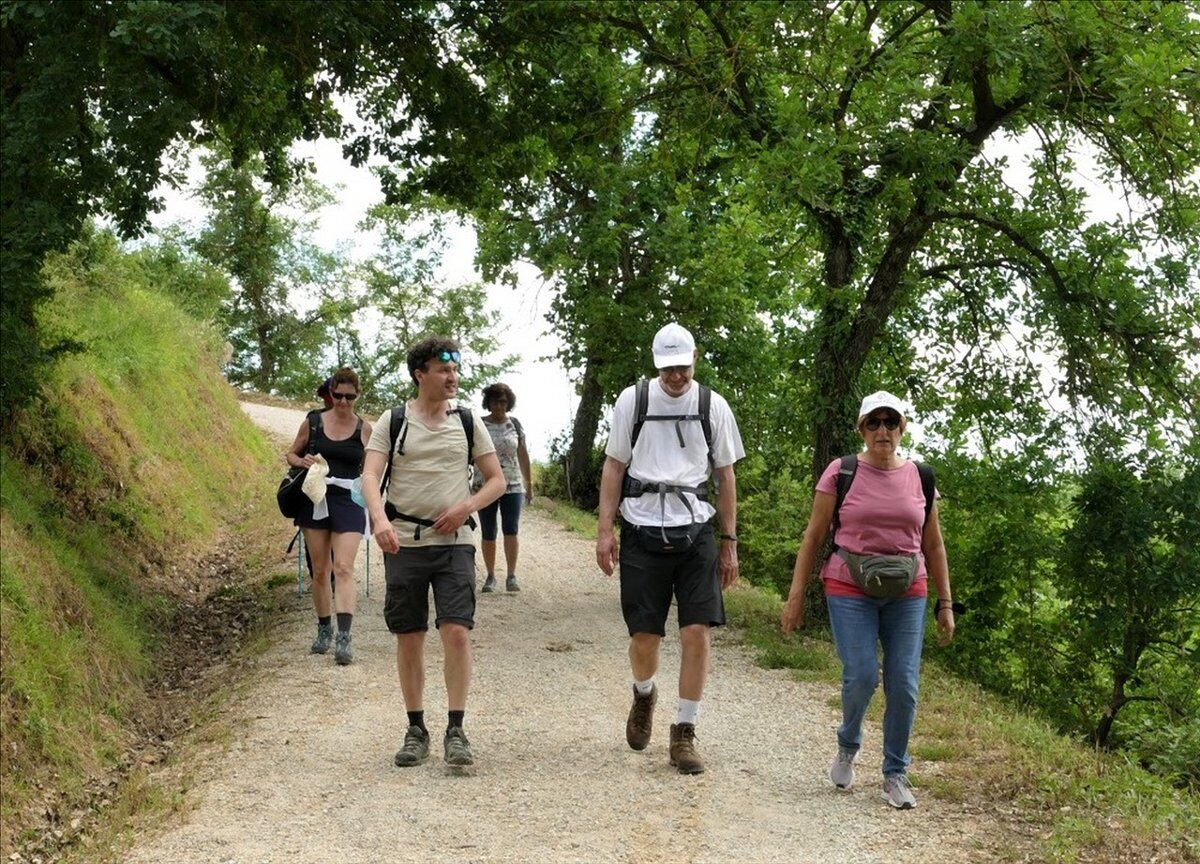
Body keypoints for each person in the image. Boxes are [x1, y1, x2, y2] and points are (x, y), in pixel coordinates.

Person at [780, 391, 955, 810]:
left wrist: (946, 603)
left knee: (905, 685)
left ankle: (895, 774)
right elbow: (814, 535)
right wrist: (796, 596)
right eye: (873, 423)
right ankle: (848, 744)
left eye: (890, 422)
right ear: (861, 429)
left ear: (902, 428)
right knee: (861, 675)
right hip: (849, 584)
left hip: (908, 590)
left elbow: (933, 543)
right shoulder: (842, 471)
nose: (883, 430)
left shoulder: (921, 476)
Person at [595, 322, 744, 775]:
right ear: (655, 363)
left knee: (697, 631)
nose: (676, 377)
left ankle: (684, 730)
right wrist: (605, 530)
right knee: (645, 636)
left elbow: (726, 476)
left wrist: (729, 541)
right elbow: (615, 466)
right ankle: (644, 694)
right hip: (642, 528)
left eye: (682, 367)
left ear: (695, 359)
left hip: (695, 530)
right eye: (667, 368)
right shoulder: (633, 400)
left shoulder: (712, 405)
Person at [361, 337, 506, 769]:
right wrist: (380, 521)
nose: (452, 377)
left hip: (455, 544)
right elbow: (370, 477)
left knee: (457, 631)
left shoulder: (466, 421)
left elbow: (496, 480)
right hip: (403, 540)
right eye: (443, 370)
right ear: (419, 374)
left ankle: (456, 729)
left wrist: (466, 507)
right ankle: (415, 727)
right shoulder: (394, 419)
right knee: (410, 636)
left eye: (455, 370)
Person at [285, 368, 371, 666]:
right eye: (338, 396)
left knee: (343, 567)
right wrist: (303, 460)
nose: (344, 402)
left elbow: (373, 468)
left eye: (350, 397)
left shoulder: (364, 429)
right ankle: (324, 628)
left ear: (357, 396)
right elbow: (291, 455)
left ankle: (344, 637)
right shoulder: (313, 422)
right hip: (315, 498)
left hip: (348, 500)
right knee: (320, 570)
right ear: (330, 393)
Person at [477, 383, 533, 593]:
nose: (499, 406)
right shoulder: (480, 425)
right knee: (488, 531)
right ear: (488, 403)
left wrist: (529, 484)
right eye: (494, 401)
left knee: (511, 529)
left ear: (509, 403)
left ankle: (511, 575)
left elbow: (523, 455)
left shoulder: (515, 425)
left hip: (513, 485)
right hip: (486, 484)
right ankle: (490, 576)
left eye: (502, 401)